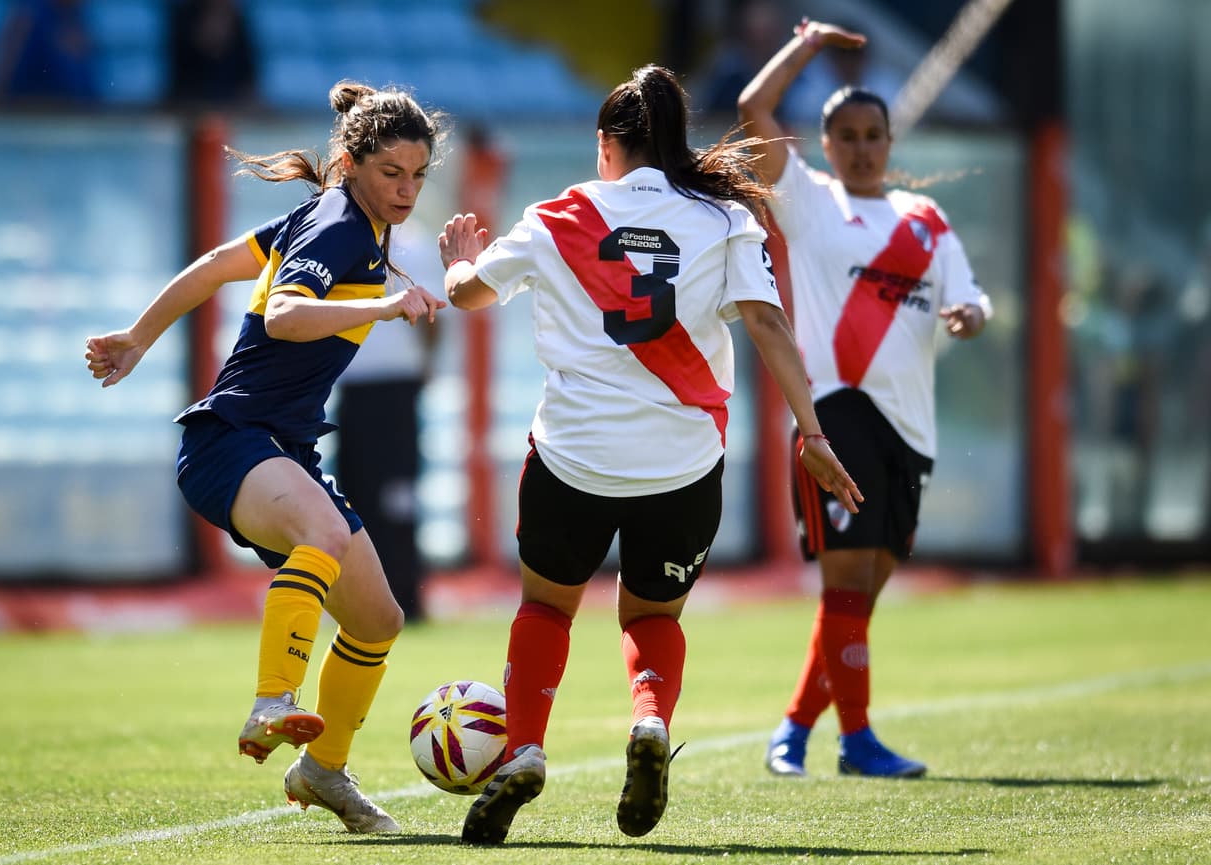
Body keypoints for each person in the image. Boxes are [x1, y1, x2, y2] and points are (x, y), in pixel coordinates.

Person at [437, 64, 863, 845]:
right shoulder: (724, 217)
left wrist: (460, 259)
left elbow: (468, 296)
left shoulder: (558, 214)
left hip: (573, 458)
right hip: (682, 465)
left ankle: (524, 747)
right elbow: (768, 324)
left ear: (606, 143)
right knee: (651, 613)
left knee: (545, 607)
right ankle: (649, 721)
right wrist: (813, 433)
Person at [84, 80, 446, 833]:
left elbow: (219, 263)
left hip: (281, 448)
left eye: (418, 175)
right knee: (324, 533)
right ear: (351, 162)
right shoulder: (340, 224)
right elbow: (282, 315)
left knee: (377, 620)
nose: (407, 190)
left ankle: (323, 769)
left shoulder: (335, 216)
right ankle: (273, 700)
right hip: (232, 439)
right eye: (392, 173)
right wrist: (384, 305)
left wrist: (138, 337)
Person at [738, 18, 992, 779]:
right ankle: (858, 742)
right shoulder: (809, 199)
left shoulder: (926, 221)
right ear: (824, 144)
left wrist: (970, 314)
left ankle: (793, 730)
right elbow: (754, 106)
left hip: (910, 432)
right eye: (845, 136)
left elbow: (972, 298)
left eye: (872, 135)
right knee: (845, 583)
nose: (860, 147)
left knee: (861, 595)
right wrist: (806, 44)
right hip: (836, 415)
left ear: (889, 141)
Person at [333, 218, 441, 622]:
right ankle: (365, 599)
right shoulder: (340, 239)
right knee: (355, 496)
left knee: (397, 496)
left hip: (396, 387)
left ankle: (405, 594)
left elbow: (433, 315)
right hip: (355, 387)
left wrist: (426, 364)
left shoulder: (413, 245)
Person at [0, 0, 99, 105]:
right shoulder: (28, 15)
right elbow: (0, 80)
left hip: (72, 112)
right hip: (30, 111)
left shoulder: (75, 17)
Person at [165, 0, 260, 108]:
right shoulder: (184, 16)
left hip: (233, 103)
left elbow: (247, 76)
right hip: (189, 102)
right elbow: (181, 75)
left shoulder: (238, 18)